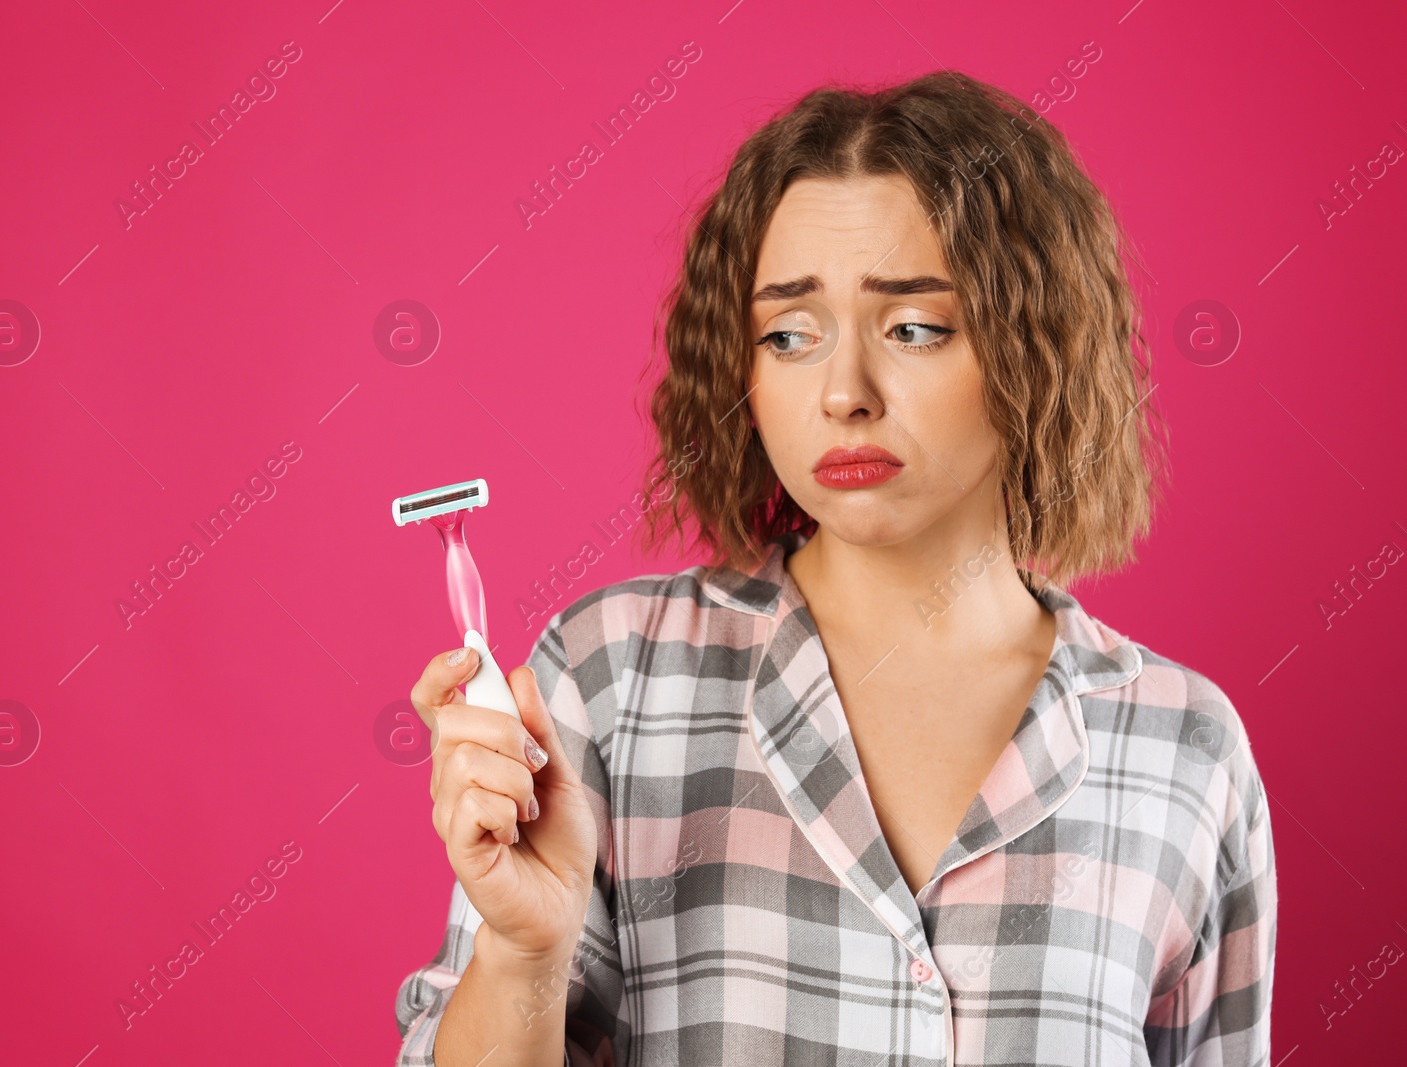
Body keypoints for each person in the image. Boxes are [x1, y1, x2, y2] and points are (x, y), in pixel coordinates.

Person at [393, 70, 1276, 1066]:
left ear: (1037, 345)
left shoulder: (1184, 749)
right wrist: (523, 952)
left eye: (913, 328)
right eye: (790, 334)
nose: (844, 391)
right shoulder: (610, 681)